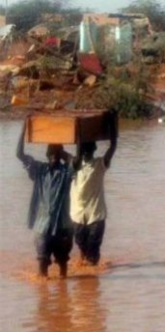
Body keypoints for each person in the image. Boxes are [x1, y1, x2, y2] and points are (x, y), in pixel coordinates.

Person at [16, 123, 73, 278]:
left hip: (62, 228)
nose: (53, 155)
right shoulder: (40, 170)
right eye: (51, 152)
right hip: (42, 227)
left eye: (56, 152)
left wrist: (63, 153)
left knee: (63, 271)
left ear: (60, 155)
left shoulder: (66, 172)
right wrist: (24, 129)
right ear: (47, 155)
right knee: (42, 269)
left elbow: (76, 163)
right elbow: (20, 154)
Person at [70, 113, 118, 266]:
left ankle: (90, 285)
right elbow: (61, 153)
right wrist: (78, 130)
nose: (87, 152)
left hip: (95, 216)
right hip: (78, 215)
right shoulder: (74, 165)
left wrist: (112, 127)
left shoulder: (100, 165)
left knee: (92, 256)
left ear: (93, 150)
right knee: (82, 252)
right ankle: (88, 283)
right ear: (83, 151)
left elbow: (113, 147)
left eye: (89, 149)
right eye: (85, 149)